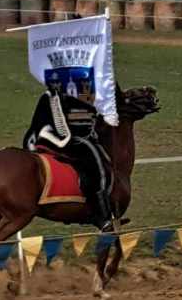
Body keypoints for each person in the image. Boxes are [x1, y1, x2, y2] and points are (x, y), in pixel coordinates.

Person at [22, 87, 114, 231]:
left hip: (43, 134)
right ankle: (102, 215)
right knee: (96, 165)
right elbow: (82, 126)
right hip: (57, 137)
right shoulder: (62, 94)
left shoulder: (79, 90)